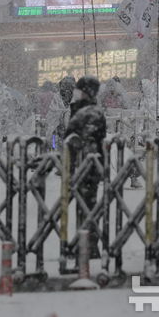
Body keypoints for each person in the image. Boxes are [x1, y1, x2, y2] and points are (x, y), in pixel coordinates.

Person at [63, 76, 106, 259]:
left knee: (87, 206)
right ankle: (85, 242)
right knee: (84, 206)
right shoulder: (83, 110)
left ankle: (88, 245)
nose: (76, 94)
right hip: (84, 166)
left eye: (79, 90)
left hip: (87, 166)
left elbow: (77, 137)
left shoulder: (89, 113)